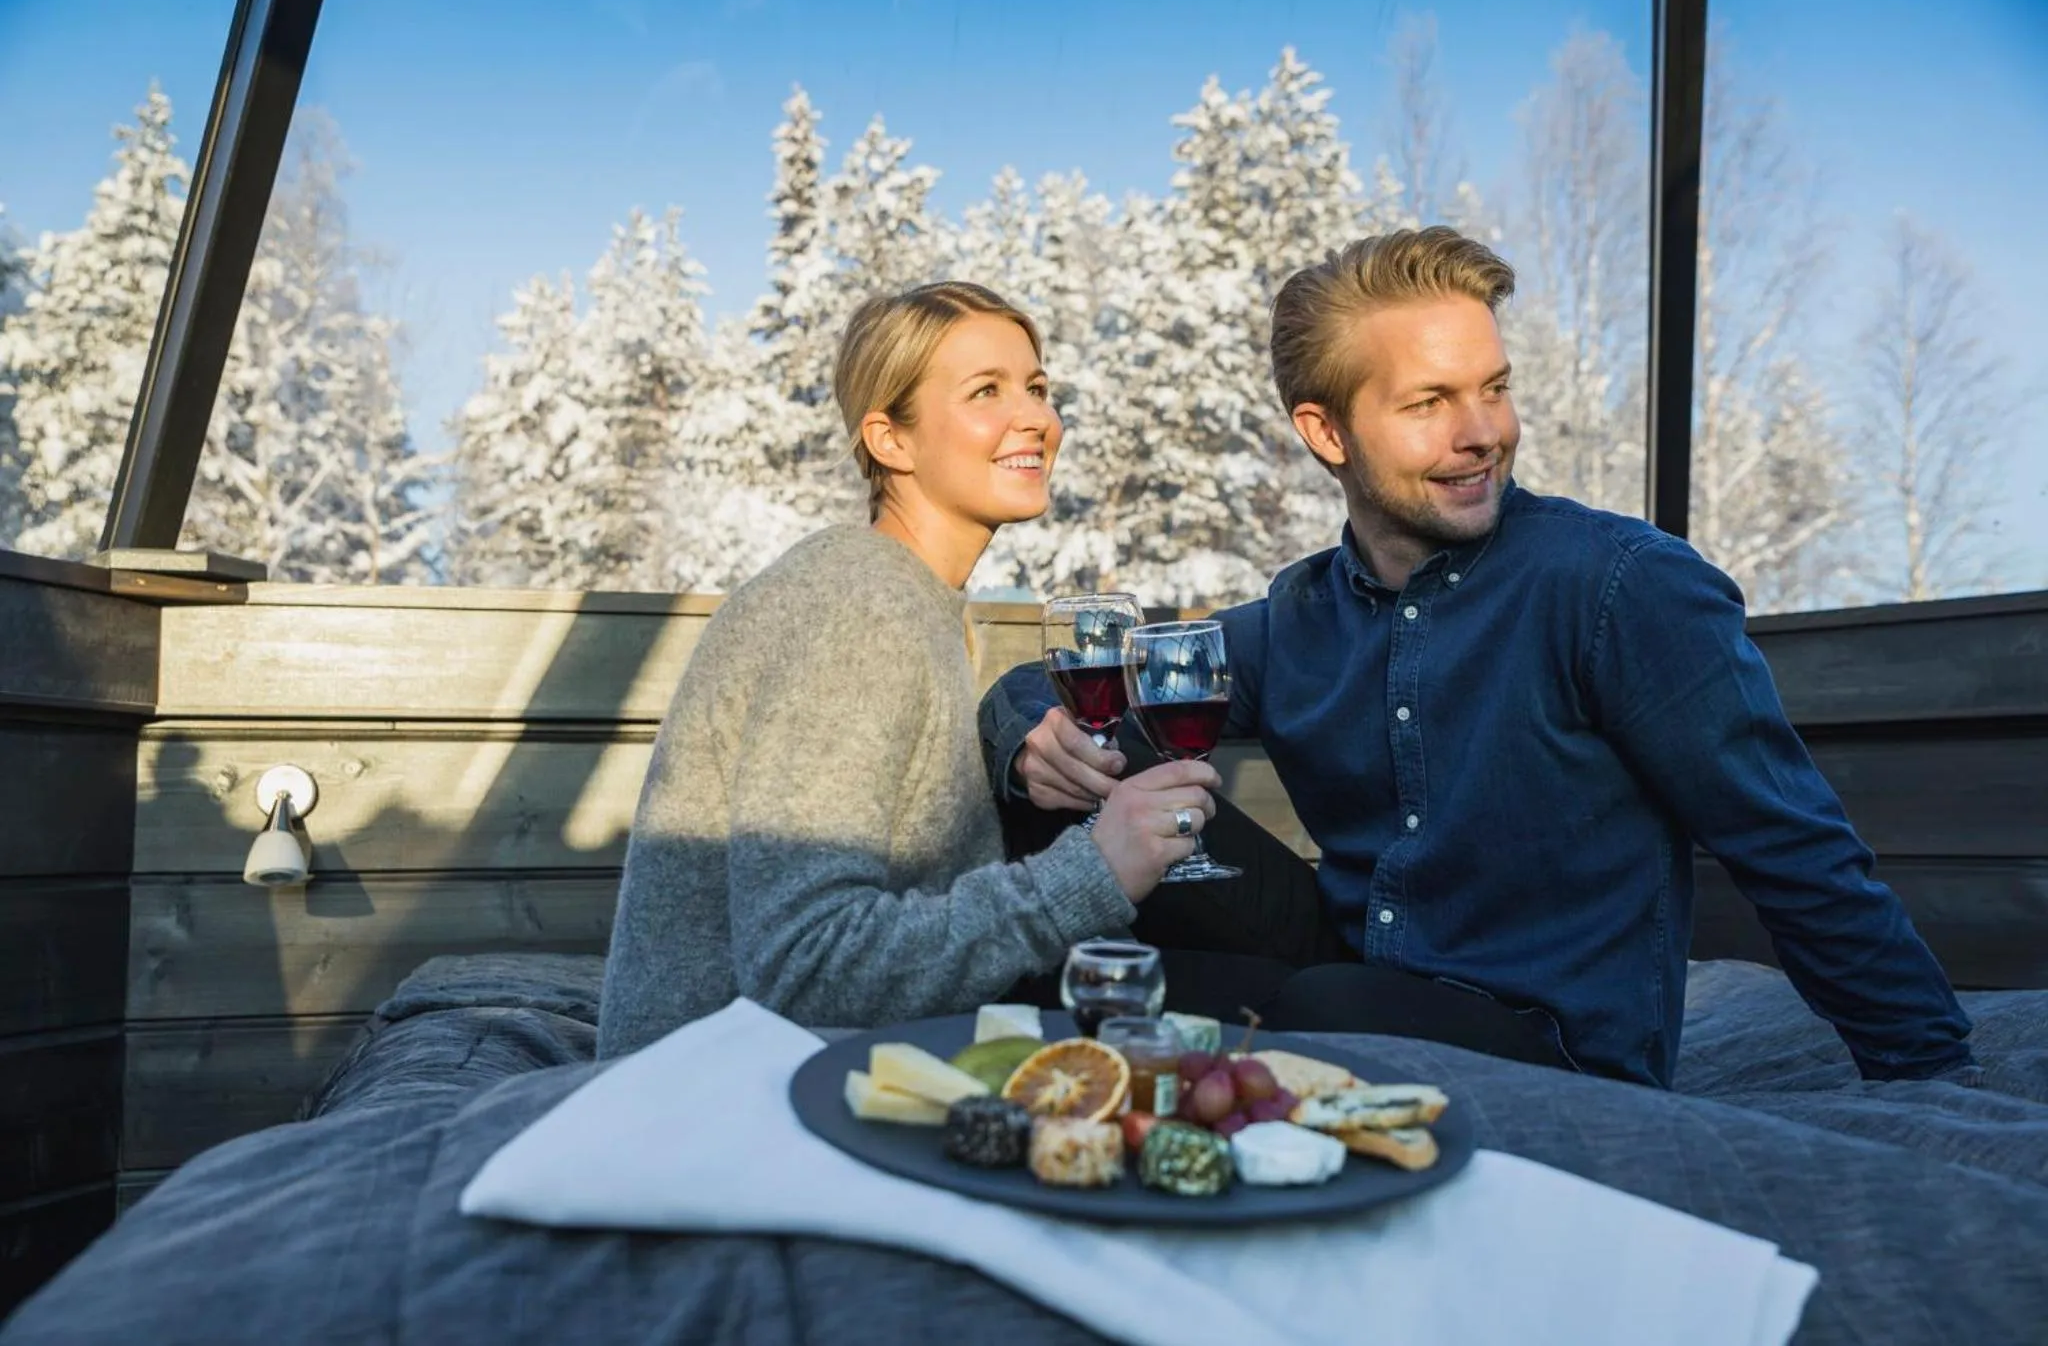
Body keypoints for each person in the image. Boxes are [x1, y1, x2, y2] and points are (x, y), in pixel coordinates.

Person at [980, 227, 1978, 1087]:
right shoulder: (1298, 615)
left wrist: (1932, 1076)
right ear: (1325, 431)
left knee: (1319, 1010)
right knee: (1062, 919)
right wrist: (1028, 738)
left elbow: (1794, 849)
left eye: (1492, 389)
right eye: (1428, 403)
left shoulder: (1619, 589)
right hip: (1354, 972)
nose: (1481, 434)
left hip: (1547, 1045)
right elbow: (1066, 683)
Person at [597, 282, 1222, 1058]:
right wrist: (1092, 870)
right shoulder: (859, 608)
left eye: (1036, 388)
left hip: (820, 1062)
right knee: (1278, 1003)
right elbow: (805, 965)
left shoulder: (909, 599)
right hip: (718, 1089)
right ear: (890, 440)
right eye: (986, 391)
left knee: (1251, 991)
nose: (1036, 417)